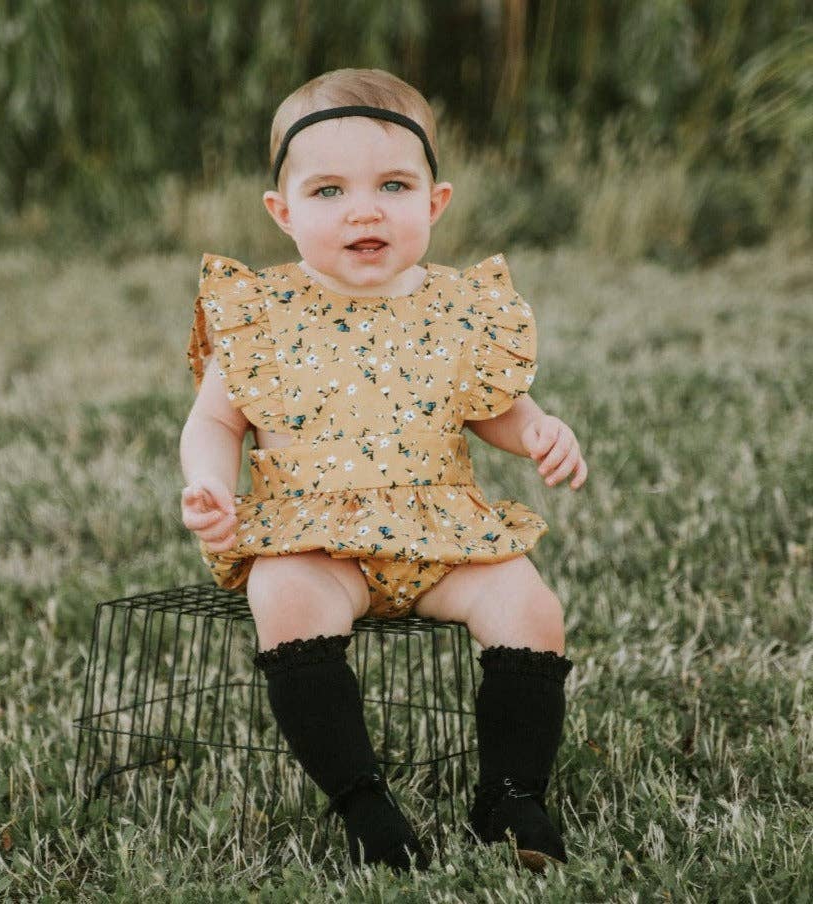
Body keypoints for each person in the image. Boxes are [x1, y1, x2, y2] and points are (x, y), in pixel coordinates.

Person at [180, 68, 587, 874]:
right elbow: (215, 418)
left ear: (434, 203)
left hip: (443, 532)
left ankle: (512, 797)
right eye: (328, 191)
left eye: (393, 185)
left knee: (530, 604)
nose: (364, 209)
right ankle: (364, 804)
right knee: (283, 594)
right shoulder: (262, 312)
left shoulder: (459, 306)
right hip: (317, 538)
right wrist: (212, 485)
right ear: (283, 212)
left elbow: (496, 404)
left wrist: (540, 429)